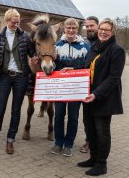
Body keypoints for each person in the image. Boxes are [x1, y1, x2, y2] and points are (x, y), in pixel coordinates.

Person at [77, 18, 126, 176]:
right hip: (88, 96)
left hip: (104, 98)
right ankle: (93, 158)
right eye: (102, 29)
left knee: (102, 131)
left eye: (107, 30)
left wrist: (96, 94)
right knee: (89, 128)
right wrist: (70, 70)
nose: (103, 32)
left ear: (112, 32)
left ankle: (101, 164)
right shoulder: (95, 47)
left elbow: (113, 77)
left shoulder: (116, 50)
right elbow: (86, 67)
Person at [0, 8, 35, 154]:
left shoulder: (25, 37)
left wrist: (36, 57)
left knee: (16, 110)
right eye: (13, 22)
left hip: (20, 77)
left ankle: (10, 140)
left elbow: (33, 52)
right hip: (4, 77)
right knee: (0, 108)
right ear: (7, 21)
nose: (16, 25)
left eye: (18, 22)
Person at [51, 18, 90, 157]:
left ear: (77, 29)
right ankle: (58, 143)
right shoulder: (56, 45)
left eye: (74, 28)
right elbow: (52, 67)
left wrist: (72, 68)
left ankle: (68, 144)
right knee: (59, 116)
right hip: (60, 88)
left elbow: (88, 67)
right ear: (64, 29)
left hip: (76, 89)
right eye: (69, 27)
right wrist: (53, 61)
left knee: (73, 117)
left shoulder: (85, 47)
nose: (71, 30)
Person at [80, 16, 99, 153]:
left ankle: (97, 143)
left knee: (98, 117)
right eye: (87, 26)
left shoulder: (103, 42)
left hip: (99, 86)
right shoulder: (83, 43)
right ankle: (88, 141)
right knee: (87, 118)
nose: (89, 28)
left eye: (92, 25)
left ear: (97, 26)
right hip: (85, 86)